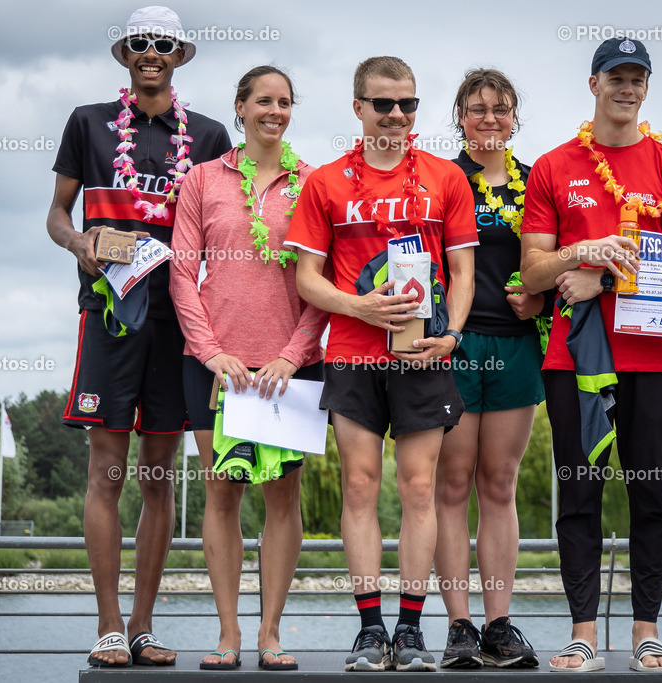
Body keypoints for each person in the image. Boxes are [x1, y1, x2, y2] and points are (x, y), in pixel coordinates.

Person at [47, 6, 230, 668]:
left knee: (158, 476)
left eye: (165, 44)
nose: (152, 53)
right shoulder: (87, 121)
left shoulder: (208, 135)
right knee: (106, 470)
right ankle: (107, 625)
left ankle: (144, 625)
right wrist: (81, 240)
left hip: (177, 316)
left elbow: (227, 225)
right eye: (140, 43)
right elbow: (56, 214)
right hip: (108, 312)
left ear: (180, 55)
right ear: (125, 52)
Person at [285, 56, 477, 672]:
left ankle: (412, 628)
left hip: (423, 354)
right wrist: (358, 307)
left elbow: (466, 274)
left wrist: (453, 336)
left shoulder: (447, 178)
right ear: (358, 108)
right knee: (361, 485)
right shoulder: (326, 182)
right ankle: (370, 628)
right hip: (351, 353)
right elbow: (306, 279)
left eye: (408, 104)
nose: (397, 115)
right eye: (383, 104)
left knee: (420, 487)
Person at [519, 37, 662, 672]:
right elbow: (534, 270)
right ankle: (582, 633)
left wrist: (600, 281)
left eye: (637, 78)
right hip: (575, 359)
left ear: (646, 88)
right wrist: (583, 251)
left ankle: (646, 631)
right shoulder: (552, 166)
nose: (626, 88)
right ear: (593, 84)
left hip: (655, 357)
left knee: (651, 495)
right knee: (579, 493)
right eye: (615, 76)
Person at [170, 65, 327, 672]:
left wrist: (292, 354)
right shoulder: (202, 180)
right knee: (222, 491)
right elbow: (183, 273)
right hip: (215, 366)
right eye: (264, 100)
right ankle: (229, 633)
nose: (276, 110)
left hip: (288, 366)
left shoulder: (311, 182)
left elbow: (322, 283)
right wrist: (210, 352)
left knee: (282, 497)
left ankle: (270, 633)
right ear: (240, 107)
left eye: (285, 101)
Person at [434, 68, 542, 670]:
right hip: (454, 344)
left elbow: (550, 260)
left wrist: (543, 298)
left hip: (517, 344)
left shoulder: (537, 181)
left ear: (514, 116)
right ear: (460, 117)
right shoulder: (442, 180)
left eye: (501, 109)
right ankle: (460, 627)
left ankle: (500, 623)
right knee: (452, 485)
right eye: (477, 109)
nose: (490, 118)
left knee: (499, 484)